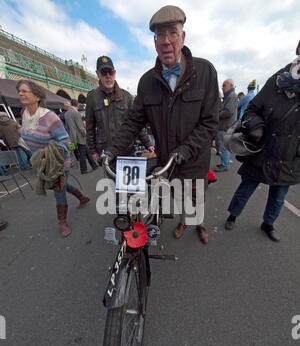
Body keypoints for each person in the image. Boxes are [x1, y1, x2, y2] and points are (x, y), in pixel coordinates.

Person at [103, 5, 219, 244]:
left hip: (194, 160)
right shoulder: (147, 82)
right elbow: (133, 122)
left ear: (183, 37)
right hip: (166, 161)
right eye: (160, 36)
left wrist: (184, 151)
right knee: (174, 198)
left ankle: (198, 223)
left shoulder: (205, 71)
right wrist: (112, 150)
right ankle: (183, 221)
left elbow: (210, 123)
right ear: (155, 43)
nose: (166, 41)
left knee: (195, 198)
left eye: (173, 33)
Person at [225, 42, 300, 242]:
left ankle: (268, 224)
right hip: (264, 148)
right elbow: (252, 109)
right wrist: (256, 126)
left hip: (290, 153)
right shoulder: (276, 81)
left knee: (279, 196)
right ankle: (232, 215)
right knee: (246, 187)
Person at [17, 80, 90, 238]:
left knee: (58, 190)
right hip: (42, 164)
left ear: (36, 96)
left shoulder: (50, 117)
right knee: (63, 186)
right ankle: (82, 197)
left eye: (24, 91)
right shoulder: (24, 115)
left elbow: (65, 141)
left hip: (58, 162)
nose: (20, 93)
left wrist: (59, 154)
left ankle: (62, 222)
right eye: (19, 91)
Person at [86, 56, 153, 162]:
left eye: (110, 72)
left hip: (126, 150)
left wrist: (148, 144)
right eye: (104, 72)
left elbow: (137, 123)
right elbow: (90, 128)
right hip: (105, 151)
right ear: (98, 74)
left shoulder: (126, 97)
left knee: (129, 178)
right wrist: (93, 151)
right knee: (109, 179)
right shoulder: (92, 98)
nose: (108, 76)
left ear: (115, 73)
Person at [64, 99, 98, 174]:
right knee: (83, 153)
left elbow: (67, 127)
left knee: (85, 150)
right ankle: (84, 169)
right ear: (78, 105)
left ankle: (94, 165)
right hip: (79, 136)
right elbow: (80, 127)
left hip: (72, 137)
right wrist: (85, 134)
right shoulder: (76, 113)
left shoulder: (66, 114)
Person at [215, 79, 238, 172]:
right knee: (224, 147)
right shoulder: (230, 96)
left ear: (231, 86)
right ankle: (224, 163)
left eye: (224, 85)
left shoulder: (232, 96)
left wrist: (216, 114)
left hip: (226, 126)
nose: (222, 87)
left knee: (224, 147)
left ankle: (225, 165)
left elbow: (228, 112)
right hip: (226, 125)